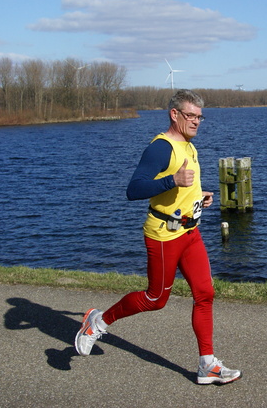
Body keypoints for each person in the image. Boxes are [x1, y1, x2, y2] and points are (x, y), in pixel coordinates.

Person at [75, 89, 241, 385]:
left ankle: (207, 365)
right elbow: (134, 189)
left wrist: (198, 196)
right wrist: (173, 180)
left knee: (205, 294)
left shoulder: (190, 146)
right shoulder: (160, 148)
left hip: (190, 233)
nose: (197, 122)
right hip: (164, 235)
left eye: (200, 117)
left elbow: (181, 190)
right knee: (155, 299)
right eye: (191, 115)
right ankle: (97, 322)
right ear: (174, 114)